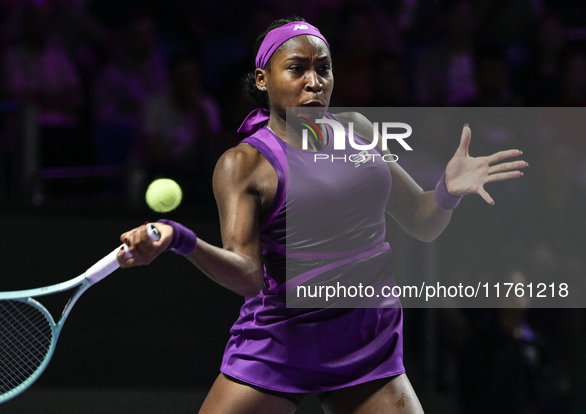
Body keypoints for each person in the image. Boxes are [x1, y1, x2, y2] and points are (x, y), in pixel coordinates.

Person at [117, 17, 527, 414]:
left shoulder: (359, 130)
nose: (314, 82)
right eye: (296, 69)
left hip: (366, 342)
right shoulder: (243, 164)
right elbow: (247, 275)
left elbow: (422, 220)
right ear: (263, 80)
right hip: (280, 343)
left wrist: (446, 192)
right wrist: (180, 238)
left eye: (323, 69)